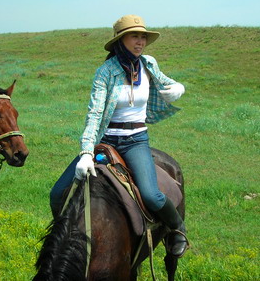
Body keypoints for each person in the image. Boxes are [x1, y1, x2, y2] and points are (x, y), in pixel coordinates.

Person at [50, 15, 188, 257]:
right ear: (121, 40)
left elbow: (166, 83)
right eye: (135, 35)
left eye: (143, 36)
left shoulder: (148, 64)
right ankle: (65, 240)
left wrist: (178, 88)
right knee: (57, 192)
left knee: (152, 196)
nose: (140, 41)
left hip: (136, 140)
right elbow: (94, 113)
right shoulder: (105, 72)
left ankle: (177, 228)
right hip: (106, 141)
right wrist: (85, 152)